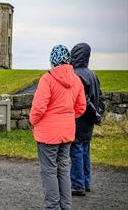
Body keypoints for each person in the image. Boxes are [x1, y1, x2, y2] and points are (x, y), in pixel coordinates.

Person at [29, 45, 86, 210]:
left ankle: (52, 207)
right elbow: (81, 107)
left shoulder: (48, 78)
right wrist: (67, 117)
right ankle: (65, 206)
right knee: (63, 169)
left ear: (53, 60)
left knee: (49, 171)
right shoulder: (76, 80)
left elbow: (39, 107)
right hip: (67, 132)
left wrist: (34, 121)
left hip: (48, 133)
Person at [69, 43, 105, 196]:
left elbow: (82, 100)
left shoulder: (76, 75)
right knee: (85, 151)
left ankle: (78, 185)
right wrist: (98, 114)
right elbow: (101, 98)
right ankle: (86, 182)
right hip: (89, 121)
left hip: (79, 119)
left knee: (77, 151)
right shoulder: (92, 74)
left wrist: (94, 114)